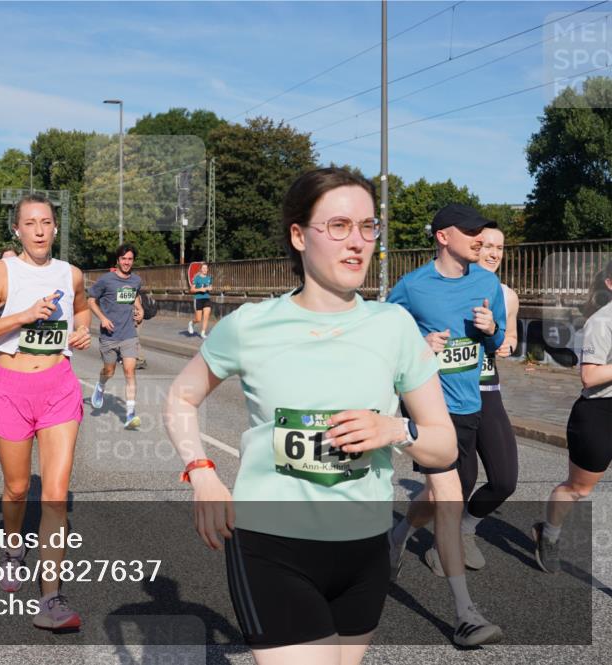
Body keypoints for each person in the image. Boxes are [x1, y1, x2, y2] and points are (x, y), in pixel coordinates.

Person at [162, 167, 457, 664]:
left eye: (368, 226)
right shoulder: (250, 325)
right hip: (272, 545)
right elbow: (180, 399)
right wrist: (203, 473)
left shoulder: (394, 325)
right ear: (299, 236)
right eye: (339, 226)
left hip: (365, 547)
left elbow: (443, 445)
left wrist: (393, 428)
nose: (357, 241)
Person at [0, 193, 91, 631]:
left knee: (55, 494)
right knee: (18, 489)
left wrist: (82, 331)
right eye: (30, 223)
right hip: (11, 389)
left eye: (46, 222)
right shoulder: (1, 272)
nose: (39, 230)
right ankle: (13, 547)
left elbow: (81, 308)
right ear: (17, 230)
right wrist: (22, 316)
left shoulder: (70, 273)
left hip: (59, 388)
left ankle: (51, 598)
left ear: (55, 227)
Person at [386, 203, 505, 646]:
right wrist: (420, 343)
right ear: (443, 236)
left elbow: (497, 341)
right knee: (451, 499)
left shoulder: (487, 283)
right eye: (470, 232)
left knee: (439, 497)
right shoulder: (413, 287)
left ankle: (397, 536)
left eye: (481, 232)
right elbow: (386, 340)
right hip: (430, 408)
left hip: (470, 403)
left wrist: (491, 330)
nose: (480, 239)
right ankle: (465, 613)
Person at [534, 259, 612, 573]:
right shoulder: (602, 322)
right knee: (579, 489)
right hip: (600, 412)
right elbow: (589, 377)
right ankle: (549, 534)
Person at [462, 227, 520, 561]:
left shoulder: (507, 295)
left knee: (505, 480)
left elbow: (511, 339)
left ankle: (465, 528)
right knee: (460, 482)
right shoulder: (449, 289)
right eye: (487, 246)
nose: (494, 253)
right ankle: (406, 536)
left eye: (500, 247)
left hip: (488, 391)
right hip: (452, 395)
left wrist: (504, 343)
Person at [88, 243, 144, 429]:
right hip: (109, 335)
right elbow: (91, 300)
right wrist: (102, 318)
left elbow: (135, 296)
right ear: (118, 260)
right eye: (124, 259)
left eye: (130, 259)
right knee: (109, 371)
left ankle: (130, 414)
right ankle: (100, 386)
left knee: (130, 371)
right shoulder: (106, 280)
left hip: (129, 334)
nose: (127, 262)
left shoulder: (136, 280)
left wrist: (140, 310)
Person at [188, 263, 213, 339]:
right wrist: (200, 289)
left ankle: (203, 333)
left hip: (207, 298)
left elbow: (210, 286)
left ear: (207, 269)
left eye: (206, 268)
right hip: (198, 298)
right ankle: (191, 323)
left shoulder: (209, 278)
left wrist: (210, 288)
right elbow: (192, 290)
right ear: (201, 269)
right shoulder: (197, 278)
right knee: (198, 319)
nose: (205, 269)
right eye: (203, 268)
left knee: (206, 316)